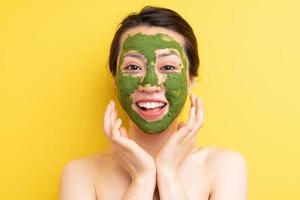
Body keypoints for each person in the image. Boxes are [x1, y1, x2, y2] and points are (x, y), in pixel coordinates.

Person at [60, 6, 247, 200]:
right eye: (133, 67)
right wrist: (142, 178)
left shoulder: (225, 167)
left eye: (167, 67)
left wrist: (168, 174)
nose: (150, 84)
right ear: (115, 79)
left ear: (191, 79)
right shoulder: (81, 175)